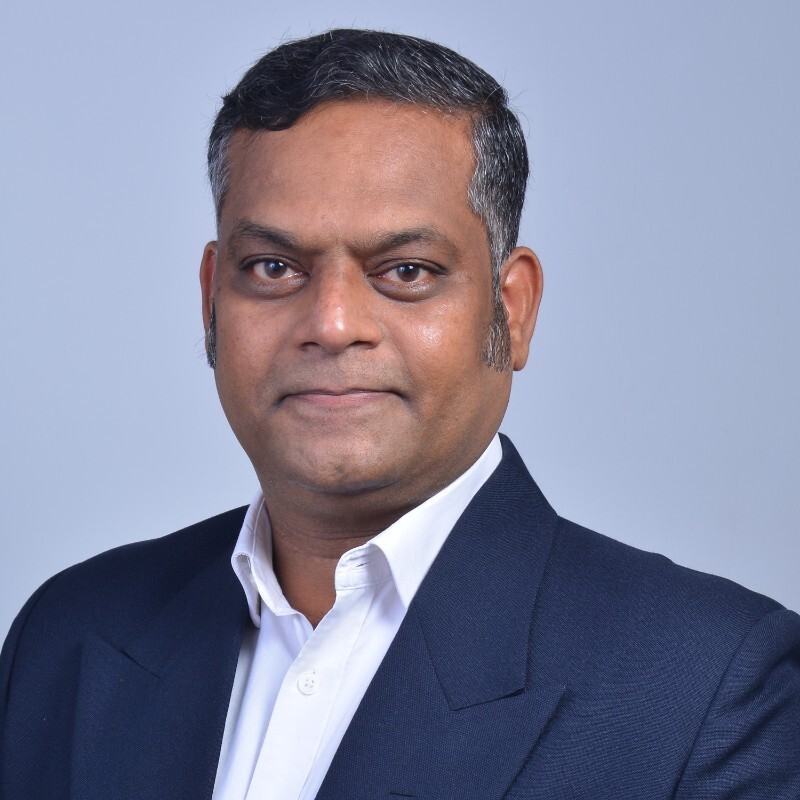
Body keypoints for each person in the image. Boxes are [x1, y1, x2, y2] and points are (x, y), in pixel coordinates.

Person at [1, 28, 798, 800]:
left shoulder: (707, 688)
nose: (334, 321)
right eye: (272, 268)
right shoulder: (69, 636)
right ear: (212, 297)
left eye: (406, 271)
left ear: (511, 310)